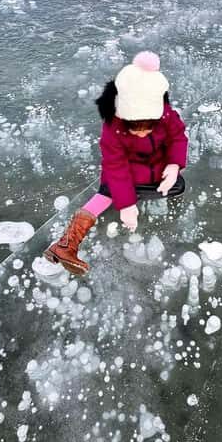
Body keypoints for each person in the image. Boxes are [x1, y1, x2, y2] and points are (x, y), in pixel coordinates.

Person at [44, 51, 188, 276]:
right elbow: (115, 167)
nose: (142, 135)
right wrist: (127, 204)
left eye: (148, 127)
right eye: (136, 128)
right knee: (108, 191)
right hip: (125, 173)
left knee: (178, 185)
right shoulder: (113, 129)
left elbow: (178, 137)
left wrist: (173, 165)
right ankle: (65, 245)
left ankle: (129, 196)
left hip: (156, 169)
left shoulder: (166, 114)